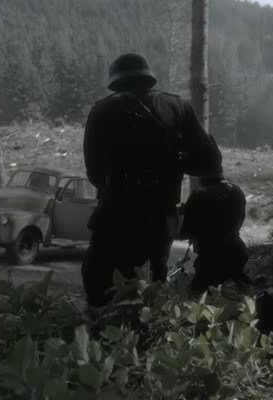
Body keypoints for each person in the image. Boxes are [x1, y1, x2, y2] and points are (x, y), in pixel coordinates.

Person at [82, 52, 218, 307]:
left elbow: (95, 174)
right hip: (161, 217)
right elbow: (209, 162)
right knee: (151, 291)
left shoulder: (101, 110)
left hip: (115, 216)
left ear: (115, 82)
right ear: (148, 78)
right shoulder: (178, 107)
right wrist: (174, 164)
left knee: (100, 289)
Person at [179, 137, 251, 293]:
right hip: (237, 255)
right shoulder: (236, 191)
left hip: (211, 263)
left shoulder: (199, 196)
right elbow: (236, 223)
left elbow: (184, 232)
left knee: (195, 300)